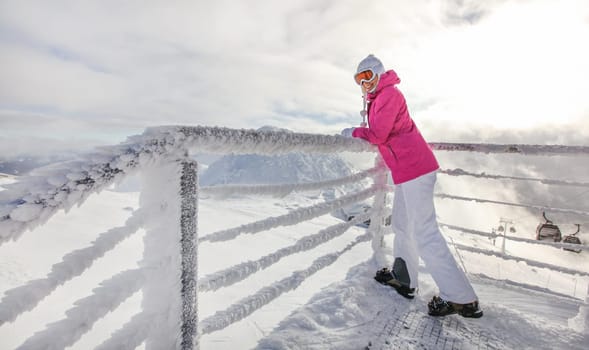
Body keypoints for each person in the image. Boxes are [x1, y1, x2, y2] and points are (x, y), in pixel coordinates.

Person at [346, 54, 483, 318]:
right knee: (402, 223)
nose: (364, 84)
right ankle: (404, 278)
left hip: (415, 170)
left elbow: (378, 135)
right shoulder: (379, 98)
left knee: (425, 231)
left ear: (378, 74)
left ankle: (461, 298)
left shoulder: (389, 95)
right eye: (358, 80)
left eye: (367, 77)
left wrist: (352, 132)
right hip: (407, 171)